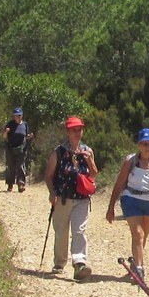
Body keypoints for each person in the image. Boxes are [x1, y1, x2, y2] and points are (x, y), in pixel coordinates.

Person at [106, 128, 149, 279]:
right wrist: (111, 207)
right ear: (139, 145)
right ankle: (140, 268)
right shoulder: (130, 161)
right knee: (138, 234)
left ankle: (136, 264)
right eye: (145, 143)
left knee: (142, 236)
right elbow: (120, 183)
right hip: (131, 200)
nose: (148, 147)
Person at [44, 116, 98, 281]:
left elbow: (94, 174)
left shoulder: (87, 150)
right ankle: (60, 262)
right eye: (74, 130)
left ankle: (79, 263)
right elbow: (48, 174)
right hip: (63, 198)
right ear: (67, 132)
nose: (77, 132)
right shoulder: (59, 152)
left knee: (79, 231)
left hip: (82, 198)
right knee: (61, 232)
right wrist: (52, 193)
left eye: (80, 129)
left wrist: (89, 160)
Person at [2, 108, 34, 192]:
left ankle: (21, 184)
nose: (18, 117)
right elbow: (4, 137)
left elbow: (25, 136)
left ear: (22, 115)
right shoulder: (10, 124)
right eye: (16, 115)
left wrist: (29, 136)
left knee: (20, 166)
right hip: (11, 148)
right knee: (11, 166)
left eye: (19, 115)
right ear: (14, 116)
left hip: (21, 149)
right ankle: (10, 184)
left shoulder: (25, 124)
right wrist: (6, 132)